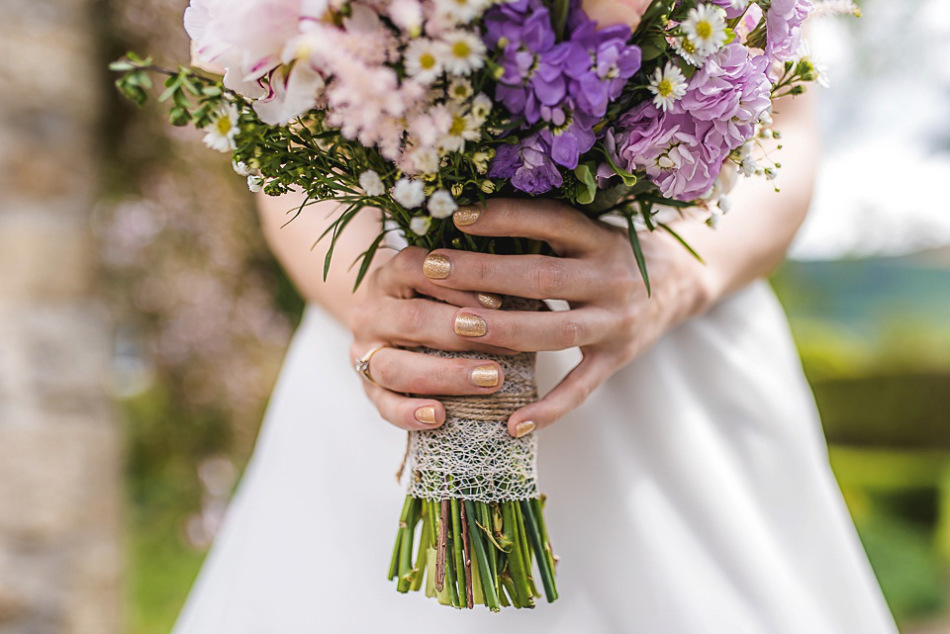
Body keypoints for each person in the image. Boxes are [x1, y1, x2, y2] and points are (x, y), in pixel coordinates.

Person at [173, 88, 898, 632]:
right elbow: (278, 132)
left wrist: (676, 274)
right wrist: (372, 304)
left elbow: (789, 125)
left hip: (677, 336)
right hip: (396, 320)